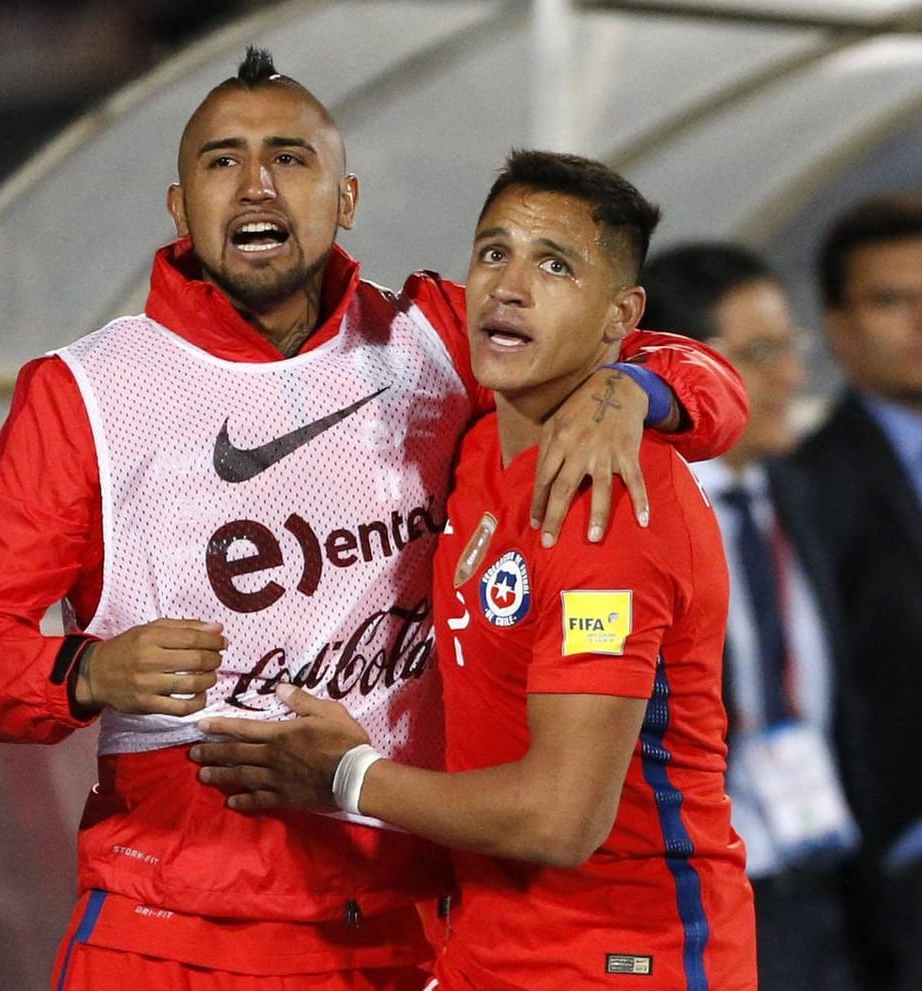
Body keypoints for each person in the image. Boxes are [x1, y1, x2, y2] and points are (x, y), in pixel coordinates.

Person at [0, 50, 747, 991]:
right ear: (180, 208)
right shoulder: (85, 394)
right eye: (222, 161)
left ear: (346, 197)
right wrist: (91, 666)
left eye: (290, 159)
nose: (257, 183)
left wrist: (633, 390)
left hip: (405, 934)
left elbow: (687, 363)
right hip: (170, 934)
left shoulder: (434, 339)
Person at [193, 151, 757, 990]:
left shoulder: (607, 503)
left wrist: (345, 776)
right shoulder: (482, 439)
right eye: (494, 252)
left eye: (554, 263)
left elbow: (561, 820)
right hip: (490, 950)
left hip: (623, 960)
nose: (510, 284)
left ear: (619, 317)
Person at [641, 242, 862, 991]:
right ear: (682, 367)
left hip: (815, 862)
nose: (794, 377)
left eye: (791, 347)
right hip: (690, 890)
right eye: (761, 352)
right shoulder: (637, 518)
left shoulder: (798, 495)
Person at [789, 194, 922, 991]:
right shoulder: (809, 485)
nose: (917, 322)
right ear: (838, 325)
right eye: (889, 301)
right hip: (895, 875)